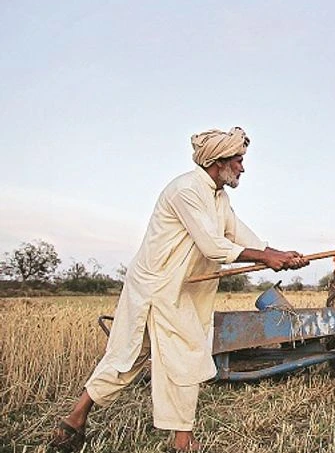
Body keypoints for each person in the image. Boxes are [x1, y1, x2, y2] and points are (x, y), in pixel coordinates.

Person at [49, 127, 308, 453]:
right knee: (155, 359)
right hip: (158, 290)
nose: (243, 168)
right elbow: (214, 246)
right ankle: (180, 443)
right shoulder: (185, 191)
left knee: (145, 358)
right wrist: (268, 257)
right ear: (219, 161)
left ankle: (74, 421)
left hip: (179, 290)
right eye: (239, 160)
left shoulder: (219, 197)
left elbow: (241, 235)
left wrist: (280, 255)